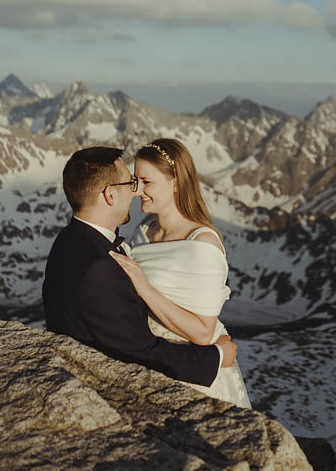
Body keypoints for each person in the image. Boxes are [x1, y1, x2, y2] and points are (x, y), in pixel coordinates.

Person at [43, 146, 236, 388]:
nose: (136, 193)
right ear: (110, 195)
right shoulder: (99, 266)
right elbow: (137, 350)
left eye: (145, 182)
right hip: (167, 369)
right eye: (131, 183)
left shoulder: (68, 239)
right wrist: (215, 357)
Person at [108, 138, 251, 408]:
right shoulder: (144, 231)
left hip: (193, 369)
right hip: (152, 359)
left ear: (175, 182)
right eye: (136, 181)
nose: (138, 191)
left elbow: (202, 333)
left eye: (147, 182)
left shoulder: (202, 243)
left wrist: (144, 287)